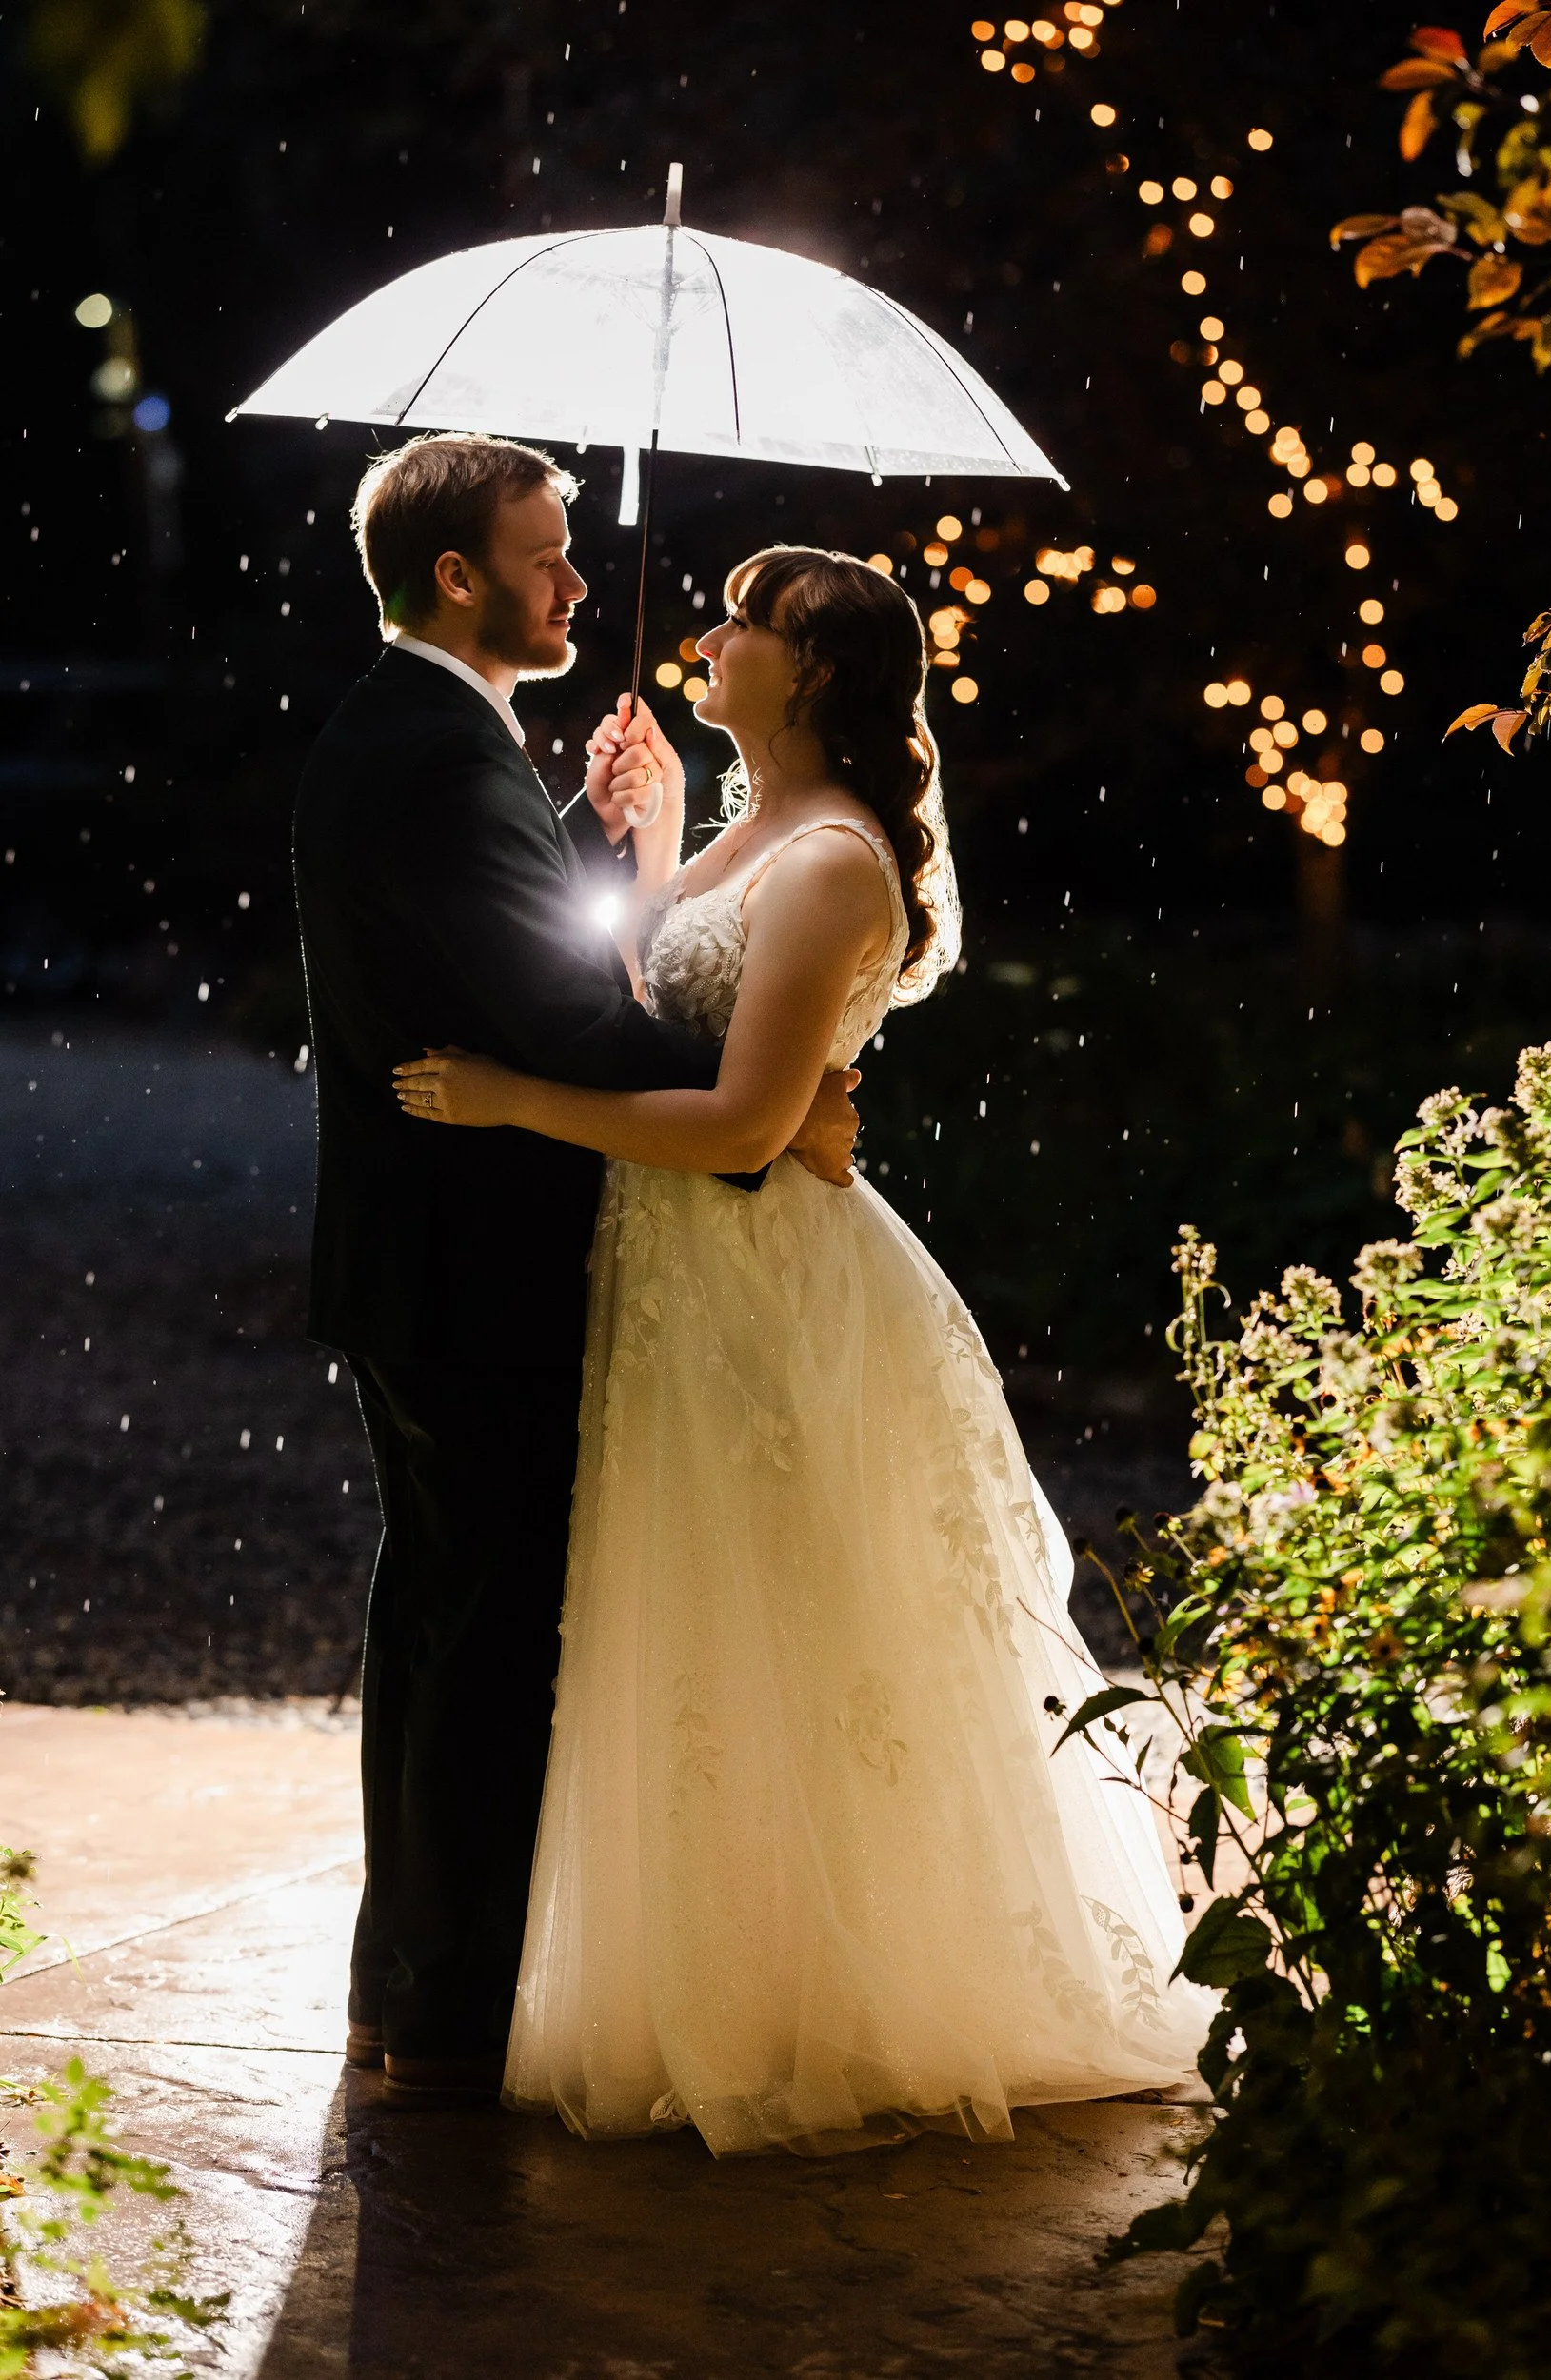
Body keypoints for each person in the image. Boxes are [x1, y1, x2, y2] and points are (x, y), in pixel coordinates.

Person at [394, 543, 1211, 2155]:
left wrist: (513, 1103)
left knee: (775, 1628)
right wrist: (640, 841)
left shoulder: (836, 859)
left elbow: (748, 1124)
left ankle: (818, 2002)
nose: (704, 635)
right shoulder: (751, 827)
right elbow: (653, 998)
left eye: (742, 623)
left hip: (757, 1285)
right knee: (690, 1623)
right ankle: (710, 1970)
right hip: (672, 1273)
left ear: (816, 670)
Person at [293, 437, 859, 2107]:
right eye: (546, 560)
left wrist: (597, 833)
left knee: (433, 1615)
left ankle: (398, 1982)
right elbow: (546, 1018)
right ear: (458, 577)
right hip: (472, 1259)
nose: (576, 588)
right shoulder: (433, 755)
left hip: (409, 1252)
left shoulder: (407, 737)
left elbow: (483, 929)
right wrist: (757, 1101)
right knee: (485, 1632)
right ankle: (455, 2013)